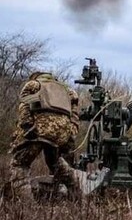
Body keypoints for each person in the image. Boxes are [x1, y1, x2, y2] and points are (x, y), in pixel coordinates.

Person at [7, 72, 81, 200]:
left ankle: (27, 206)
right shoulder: (67, 91)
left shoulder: (34, 85)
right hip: (61, 133)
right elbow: (74, 115)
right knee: (56, 162)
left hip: (40, 130)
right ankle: (77, 197)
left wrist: (27, 128)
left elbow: (24, 106)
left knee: (20, 164)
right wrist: (70, 135)